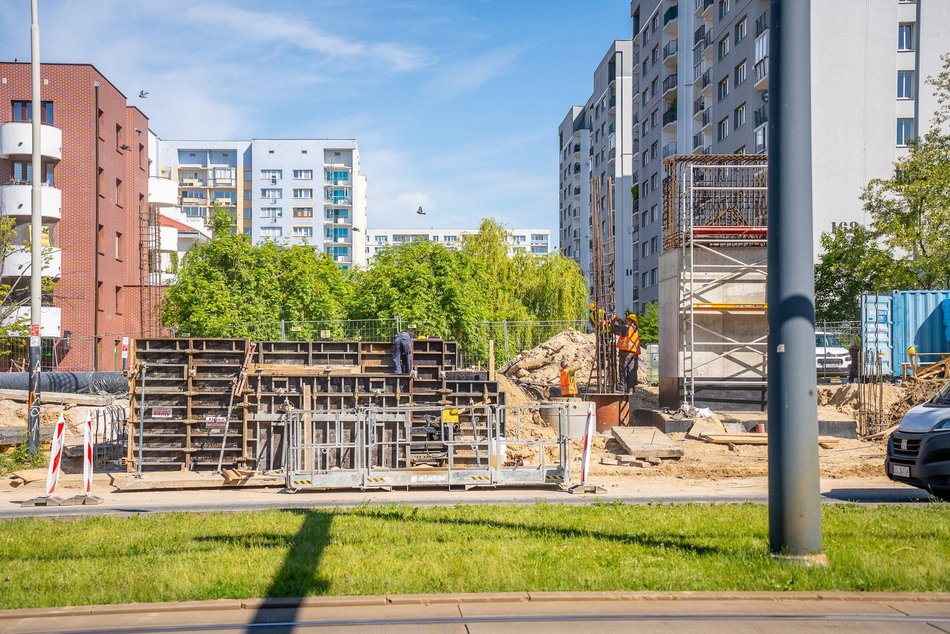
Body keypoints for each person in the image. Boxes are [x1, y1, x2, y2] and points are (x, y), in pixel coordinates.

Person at [611, 313, 641, 393]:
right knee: (630, 370)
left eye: (627, 319)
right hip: (633, 353)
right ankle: (630, 389)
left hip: (625, 351)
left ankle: (622, 387)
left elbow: (616, 328)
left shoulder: (627, 327)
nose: (626, 320)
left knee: (622, 369)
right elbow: (620, 332)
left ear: (631, 321)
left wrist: (614, 321)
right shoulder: (635, 329)